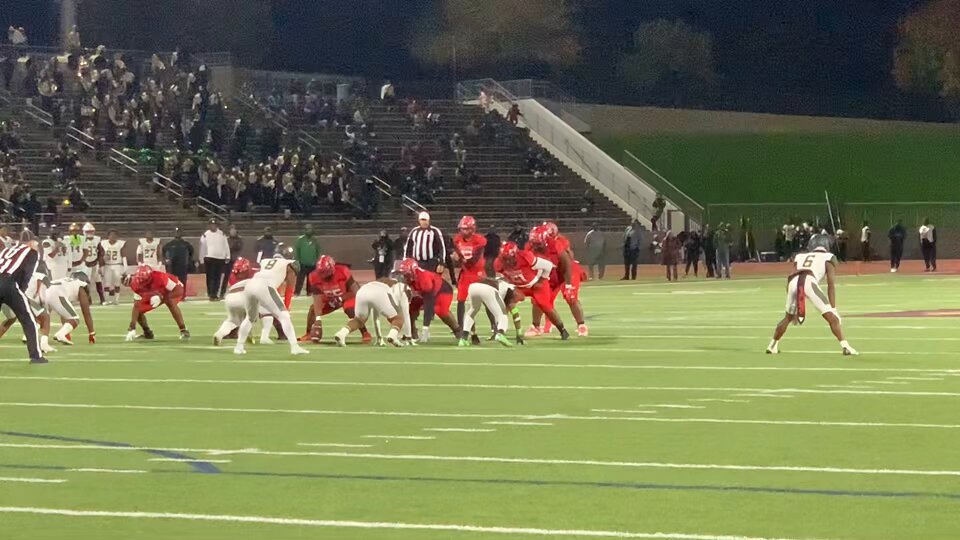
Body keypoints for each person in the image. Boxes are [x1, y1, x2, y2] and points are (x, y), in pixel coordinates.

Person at [767, 234, 858, 356]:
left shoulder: (800, 256)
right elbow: (831, 285)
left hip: (793, 282)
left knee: (787, 318)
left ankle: (772, 345)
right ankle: (845, 346)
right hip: (809, 281)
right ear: (827, 245)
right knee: (833, 318)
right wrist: (833, 308)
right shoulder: (828, 257)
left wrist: (792, 302)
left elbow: (791, 276)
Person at [214, 253, 309, 356]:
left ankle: (239, 347)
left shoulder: (265, 261)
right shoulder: (291, 264)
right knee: (284, 316)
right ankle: (295, 347)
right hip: (265, 286)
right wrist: (286, 306)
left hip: (250, 285)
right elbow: (290, 288)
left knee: (250, 318)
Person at [494, 241, 569, 340]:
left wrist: (542, 281)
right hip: (520, 287)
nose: (508, 261)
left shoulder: (526, 257)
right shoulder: (499, 262)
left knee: (545, 305)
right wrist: (510, 286)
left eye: (509, 259)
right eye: (505, 259)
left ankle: (562, 330)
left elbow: (548, 266)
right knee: (505, 305)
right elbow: (500, 276)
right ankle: (498, 331)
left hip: (536, 284)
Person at [303, 255, 371, 344]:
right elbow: (317, 299)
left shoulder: (342, 271)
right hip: (330, 299)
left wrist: (340, 298)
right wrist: (318, 320)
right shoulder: (314, 276)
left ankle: (365, 333)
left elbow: (356, 292)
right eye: (321, 272)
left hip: (347, 296)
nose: (323, 275)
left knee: (351, 310)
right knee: (313, 310)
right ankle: (308, 333)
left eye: (325, 272)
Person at [0, 242, 46, 363]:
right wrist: (21, 291)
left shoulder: (7, 250)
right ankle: (36, 356)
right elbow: (27, 274)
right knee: (28, 320)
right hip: (8, 283)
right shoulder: (32, 253)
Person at [334, 277, 412, 347]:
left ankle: (341, 334)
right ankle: (393, 336)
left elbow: (375, 316)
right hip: (379, 292)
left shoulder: (383, 281)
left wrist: (379, 337)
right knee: (398, 318)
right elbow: (405, 314)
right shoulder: (401, 287)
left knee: (358, 320)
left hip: (362, 290)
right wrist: (408, 336)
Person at [399, 258, 461, 343]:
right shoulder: (411, 279)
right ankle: (411, 332)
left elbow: (429, 304)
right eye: (404, 274)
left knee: (440, 310)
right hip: (425, 293)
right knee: (410, 308)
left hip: (442, 290)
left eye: (407, 274)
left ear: (413, 272)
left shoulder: (424, 280)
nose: (405, 277)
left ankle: (457, 330)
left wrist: (425, 328)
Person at [124, 266, 190, 341]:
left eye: (145, 281)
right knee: (138, 311)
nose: (143, 283)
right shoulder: (136, 284)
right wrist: (132, 327)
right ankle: (147, 333)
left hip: (172, 290)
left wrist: (161, 298)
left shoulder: (160, 277)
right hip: (155, 295)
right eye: (141, 281)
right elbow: (136, 306)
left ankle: (184, 330)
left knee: (170, 302)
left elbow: (176, 290)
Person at [459, 278, 523, 347]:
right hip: (489, 290)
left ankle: (463, 339)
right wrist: (519, 334)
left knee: (471, 312)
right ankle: (500, 334)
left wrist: (473, 334)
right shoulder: (510, 290)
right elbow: (515, 313)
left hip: (473, 287)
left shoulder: (500, 285)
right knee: (503, 316)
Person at [450, 216, 487, 331]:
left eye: (467, 229)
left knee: (487, 301)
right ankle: (460, 327)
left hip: (478, 273)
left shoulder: (479, 240)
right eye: (463, 229)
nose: (464, 231)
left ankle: (494, 328)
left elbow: (473, 260)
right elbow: (456, 257)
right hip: (466, 273)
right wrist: (454, 258)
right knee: (460, 300)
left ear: (473, 229)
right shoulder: (457, 239)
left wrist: (460, 259)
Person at [43, 272, 96, 347]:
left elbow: (64, 314)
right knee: (75, 319)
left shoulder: (65, 281)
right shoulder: (81, 285)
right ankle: (60, 334)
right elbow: (86, 312)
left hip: (45, 291)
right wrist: (92, 333)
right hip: (57, 293)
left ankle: (28, 336)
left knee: (42, 318)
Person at [200, 219, 230, 301]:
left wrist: (227, 256)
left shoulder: (222, 234)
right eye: (211, 225)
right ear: (209, 225)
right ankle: (211, 294)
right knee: (210, 277)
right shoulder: (205, 235)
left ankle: (215, 294)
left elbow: (225, 245)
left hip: (220, 258)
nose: (213, 226)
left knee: (217, 277)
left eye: (214, 225)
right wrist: (201, 259)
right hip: (209, 257)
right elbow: (202, 248)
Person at [79, 223, 106, 304]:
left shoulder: (97, 239)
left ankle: (102, 299)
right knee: (86, 282)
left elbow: (101, 251)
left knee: (98, 281)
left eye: (91, 231)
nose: (90, 233)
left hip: (95, 262)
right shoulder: (81, 239)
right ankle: (88, 299)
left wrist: (99, 262)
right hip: (85, 263)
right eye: (88, 231)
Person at [100, 230, 127, 305]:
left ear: (117, 237)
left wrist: (125, 267)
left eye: (114, 235)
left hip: (117, 265)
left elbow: (123, 255)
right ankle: (106, 300)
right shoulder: (104, 243)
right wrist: (103, 260)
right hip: (107, 265)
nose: (112, 237)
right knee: (106, 283)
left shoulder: (120, 244)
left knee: (117, 283)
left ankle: (116, 300)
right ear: (108, 236)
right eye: (111, 235)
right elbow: (101, 255)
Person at [294, 224, 321, 295]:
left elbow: (318, 251)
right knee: (300, 279)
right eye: (307, 229)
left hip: (313, 263)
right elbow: (297, 251)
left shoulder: (315, 240)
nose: (309, 230)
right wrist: (297, 261)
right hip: (302, 263)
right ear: (305, 230)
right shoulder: (300, 239)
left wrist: (317, 261)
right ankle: (297, 292)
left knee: (311, 279)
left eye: (310, 229)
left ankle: (309, 292)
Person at [221, 225, 243, 298]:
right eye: (231, 230)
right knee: (226, 278)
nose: (232, 232)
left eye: (234, 230)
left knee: (237, 278)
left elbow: (238, 248)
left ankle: (238, 293)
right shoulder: (226, 239)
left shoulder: (239, 239)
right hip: (228, 261)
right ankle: (222, 293)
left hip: (236, 261)